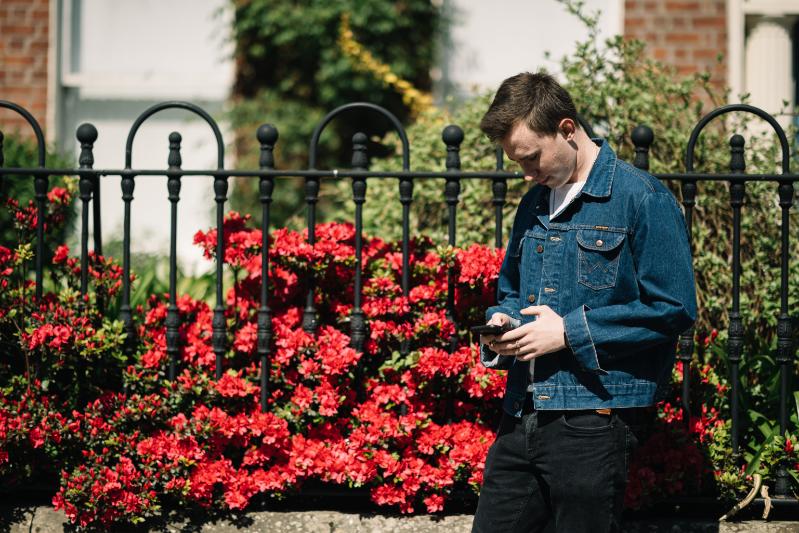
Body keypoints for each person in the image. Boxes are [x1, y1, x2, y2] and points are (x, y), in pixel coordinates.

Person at [471, 72, 697, 533]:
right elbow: (514, 292)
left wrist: (567, 332)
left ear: (567, 129)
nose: (527, 173)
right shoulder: (533, 203)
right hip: (522, 414)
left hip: (591, 421)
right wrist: (504, 323)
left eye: (532, 157)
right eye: (517, 162)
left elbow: (673, 309)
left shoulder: (641, 198)